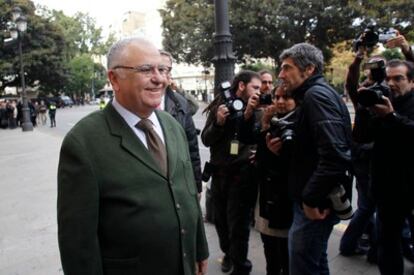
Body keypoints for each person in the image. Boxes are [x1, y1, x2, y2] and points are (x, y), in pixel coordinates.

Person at [57, 37, 209, 275]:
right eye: (146, 69)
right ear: (114, 79)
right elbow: (78, 242)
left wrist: (199, 249)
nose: (159, 78)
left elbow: (187, 192)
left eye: (163, 69)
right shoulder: (83, 142)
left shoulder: (172, 125)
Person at [277, 43, 352, 275]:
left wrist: (309, 200)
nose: (281, 74)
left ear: (308, 69)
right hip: (315, 199)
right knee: (316, 263)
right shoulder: (315, 94)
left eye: (287, 68)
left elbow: (335, 156)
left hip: (315, 205)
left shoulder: (316, 96)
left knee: (303, 267)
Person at [201, 70, 261, 275]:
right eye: (255, 87)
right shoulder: (220, 106)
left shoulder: (258, 109)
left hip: (243, 177)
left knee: (240, 225)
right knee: (221, 222)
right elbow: (206, 140)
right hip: (219, 175)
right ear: (241, 86)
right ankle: (228, 253)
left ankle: (241, 264)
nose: (258, 92)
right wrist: (218, 123)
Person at [362, 59, 414, 275]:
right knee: (388, 243)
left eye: (398, 78)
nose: (391, 83)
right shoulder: (379, 102)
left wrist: (391, 117)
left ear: (412, 82)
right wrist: (365, 108)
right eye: (388, 78)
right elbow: (361, 137)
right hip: (386, 188)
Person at [240, 85, 296, 275]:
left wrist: (275, 155)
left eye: (286, 97)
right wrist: (258, 119)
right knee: (271, 255)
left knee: (288, 257)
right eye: (276, 97)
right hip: (266, 198)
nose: (280, 102)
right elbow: (247, 138)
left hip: (287, 202)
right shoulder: (271, 120)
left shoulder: (302, 121)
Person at [159, 50, 203, 195]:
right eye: (160, 68)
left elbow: (192, 147)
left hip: (178, 182)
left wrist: (196, 186)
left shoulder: (180, 102)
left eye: (167, 70)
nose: (163, 74)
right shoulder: (138, 101)